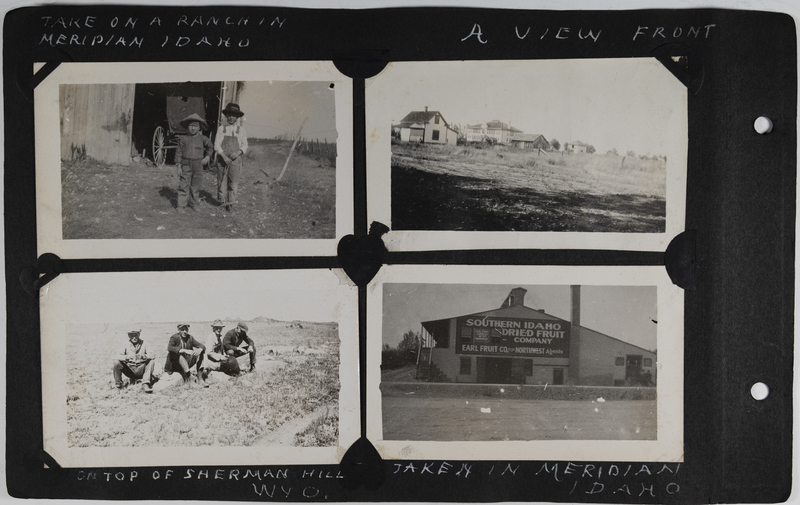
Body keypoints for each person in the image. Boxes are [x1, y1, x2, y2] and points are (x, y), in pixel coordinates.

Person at [174, 113, 213, 213]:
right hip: (186, 164)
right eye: (191, 125)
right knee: (184, 184)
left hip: (198, 164)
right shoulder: (183, 139)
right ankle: (181, 206)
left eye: (195, 126)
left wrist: (207, 157)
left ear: (199, 127)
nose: (193, 128)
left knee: (195, 185)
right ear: (187, 126)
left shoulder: (203, 138)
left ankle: (194, 204)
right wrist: (178, 166)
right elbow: (178, 153)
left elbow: (210, 147)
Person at [213, 103, 248, 212]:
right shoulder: (221, 129)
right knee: (221, 180)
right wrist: (224, 156)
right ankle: (222, 203)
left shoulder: (241, 130)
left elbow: (245, 144)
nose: (231, 117)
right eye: (229, 115)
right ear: (226, 116)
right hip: (222, 159)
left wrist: (237, 153)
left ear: (237, 117)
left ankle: (231, 204)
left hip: (235, 160)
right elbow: (216, 145)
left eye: (234, 115)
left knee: (233, 183)